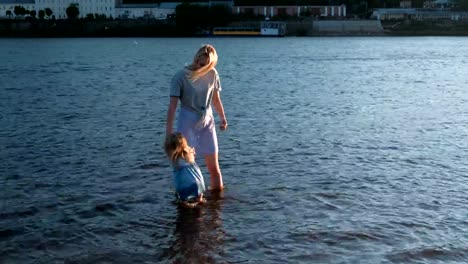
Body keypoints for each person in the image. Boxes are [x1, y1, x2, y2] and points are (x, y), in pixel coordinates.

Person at [166, 44, 227, 191]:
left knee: (214, 167)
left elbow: (216, 99)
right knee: (184, 165)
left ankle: (216, 203)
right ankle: (186, 197)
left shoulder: (213, 74)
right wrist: (169, 132)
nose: (202, 67)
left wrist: (223, 118)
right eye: (201, 63)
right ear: (196, 57)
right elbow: (173, 105)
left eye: (207, 65)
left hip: (207, 119)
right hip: (188, 120)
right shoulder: (180, 76)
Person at [165, 132, 206, 208]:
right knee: (199, 196)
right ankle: (199, 201)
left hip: (183, 184)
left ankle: (186, 204)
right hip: (196, 181)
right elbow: (192, 153)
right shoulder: (188, 153)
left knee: (182, 200)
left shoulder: (174, 159)